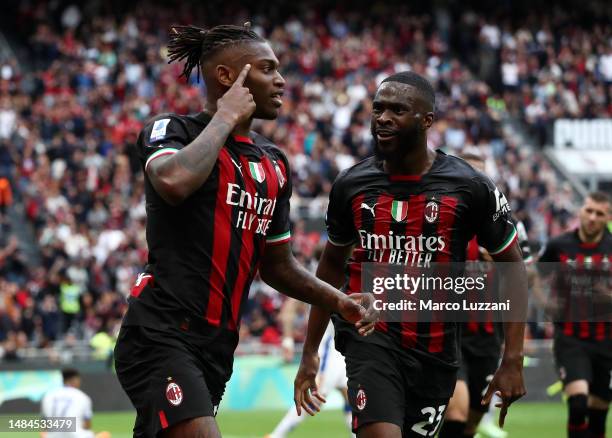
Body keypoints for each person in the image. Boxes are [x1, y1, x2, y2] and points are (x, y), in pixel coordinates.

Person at [113, 23, 376, 438]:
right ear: (226, 77)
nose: (281, 80)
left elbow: (277, 266)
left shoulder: (273, 163)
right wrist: (225, 117)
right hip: (161, 331)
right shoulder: (173, 132)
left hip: (217, 346)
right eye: (267, 69)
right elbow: (173, 182)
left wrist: (339, 301)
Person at [294, 71, 527, 438]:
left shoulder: (470, 186)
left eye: (397, 110)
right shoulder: (351, 184)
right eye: (378, 109)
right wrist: (310, 351)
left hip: (434, 350)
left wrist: (512, 358)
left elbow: (513, 268)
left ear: (426, 120)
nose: (383, 117)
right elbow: (331, 265)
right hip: (370, 338)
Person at [439, 152, 534, 438]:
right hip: (448, 330)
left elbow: (526, 278)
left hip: (488, 336)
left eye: (480, 177)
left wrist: (502, 267)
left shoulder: (509, 224)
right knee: (456, 411)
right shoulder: (441, 219)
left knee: (470, 424)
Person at [537, 192, 611, 438]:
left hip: (606, 342)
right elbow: (533, 275)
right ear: (581, 211)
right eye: (589, 210)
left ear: (607, 217)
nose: (592, 217)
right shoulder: (559, 245)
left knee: (599, 413)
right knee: (578, 403)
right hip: (570, 339)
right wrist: (546, 303)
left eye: (599, 213)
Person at [266, 298, 354, 438]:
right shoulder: (320, 282)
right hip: (327, 349)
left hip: (344, 350)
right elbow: (290, 305)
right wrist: (288, 340)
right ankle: (276, 436)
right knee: (314, 398)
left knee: (353, 400)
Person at [40, 368, 111, 438]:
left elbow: (45, 424)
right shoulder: (82, 397)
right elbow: (87, 426)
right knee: (105, 435)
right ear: (75, 380)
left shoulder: (48, 396)